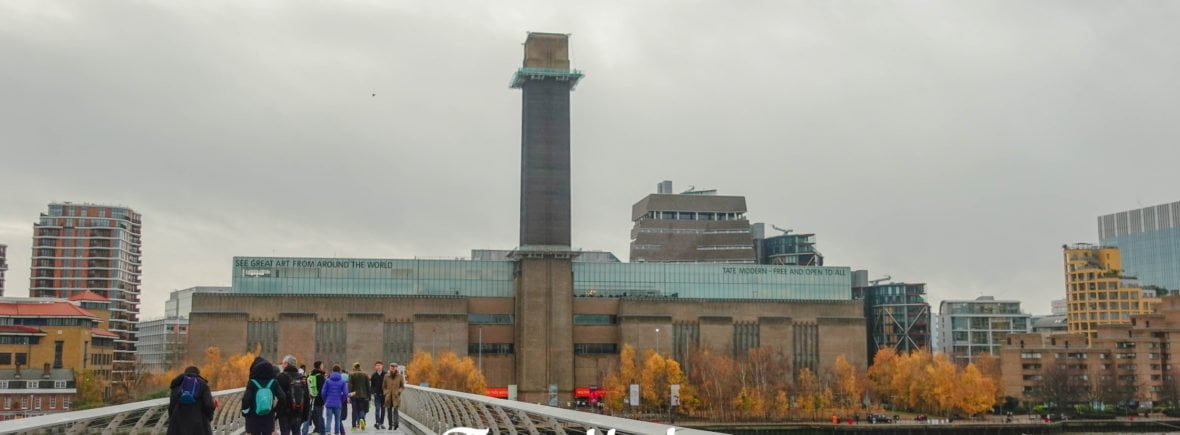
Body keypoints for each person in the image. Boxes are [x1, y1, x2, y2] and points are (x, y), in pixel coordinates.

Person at [242, 357, 286, 435]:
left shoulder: (252, 382)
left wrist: (245, 412)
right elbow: (283, 397)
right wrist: (275, 409)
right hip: (268, 416)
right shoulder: (273, 382)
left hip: (253, 417)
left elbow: (246, 399)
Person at [167, 366, 215, 435]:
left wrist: (172, 419)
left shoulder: (177, 384)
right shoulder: (202, 384)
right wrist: (209, 418)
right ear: (198, 374)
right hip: (199, 425)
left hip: (178, 424)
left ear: (185, 373)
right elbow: (208, 405)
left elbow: (172, 405)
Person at [276, 355, 311, 435]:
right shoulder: (302, 378)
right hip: (298, 412)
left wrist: (277, 412)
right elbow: (306, 397)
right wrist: (305, 414)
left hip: (284, 413)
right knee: (297, 432)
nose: (282, 365)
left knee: (285, 432)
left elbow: (277, 396)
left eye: (283, 363)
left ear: (287, 364)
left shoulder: (280, 377)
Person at [321, 364, 350, 435]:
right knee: (337, 420)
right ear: (340, 371)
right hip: (338, 403)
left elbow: (323, 392)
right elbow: (346, 393)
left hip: (329, 403)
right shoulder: (342, 381)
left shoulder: (328, 381)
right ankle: (337, 432)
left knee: (328, 419)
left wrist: (326, 400)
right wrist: (341, 400)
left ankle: (327, 432)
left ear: (332, 371)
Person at [383, 362, 405, 431]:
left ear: (396, 368)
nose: (393, 368)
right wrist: (385, 392)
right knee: (389, 411)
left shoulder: (400, 376)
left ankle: (396, 424)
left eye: (394, 367)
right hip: (388, 396)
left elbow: (402, 386)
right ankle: (390, 425)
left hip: (396, 397)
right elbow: (384, 386)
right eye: (391, 367)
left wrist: (399, 391)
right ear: (390, 368)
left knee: (395, 410)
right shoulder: (386, 376)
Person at [348, 362, 371, 429]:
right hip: (363, 395)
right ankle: (362, 419)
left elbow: (350, 386)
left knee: (354, 410)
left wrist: (349, 395)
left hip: (354, 395)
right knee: (362, 409)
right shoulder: (365, 374)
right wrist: (369, 396)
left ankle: (354, 426)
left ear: (354, 367)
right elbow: (368, 386)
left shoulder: (351, 375)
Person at [308, 361, 327, 435]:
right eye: (322, 365)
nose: (323, 366)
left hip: (311, 398)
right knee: (320, 416)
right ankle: (322, 432)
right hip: (319, 399)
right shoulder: (321, 376)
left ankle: (317, 429)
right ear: (319, 366)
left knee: (314, 415)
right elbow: (323, 389)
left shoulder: (311, 374)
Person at [370, 361, 386, 429]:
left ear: (382, 366)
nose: (378, 367)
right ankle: (377, 422)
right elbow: (372, 385)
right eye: (377, 365)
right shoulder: (374, 375)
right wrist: (373, 392)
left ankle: (381, 423)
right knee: (377, 408)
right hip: (377, 395)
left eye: (380, 365)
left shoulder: (386, 374)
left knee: (383, 409)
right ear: (375, 367)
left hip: (384, 395)